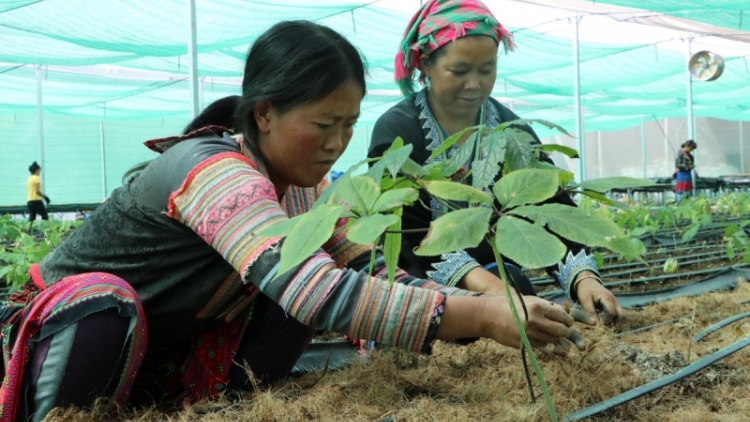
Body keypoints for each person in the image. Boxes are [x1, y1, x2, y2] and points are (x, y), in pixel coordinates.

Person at [0, 21, 591, 422]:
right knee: (105, 304)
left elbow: (366, 272)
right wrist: (481, 314)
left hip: (164, 352)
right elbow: (318, 293)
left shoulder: (301, 192)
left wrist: (494, 311)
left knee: (300, 291)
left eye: (350, 124)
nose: (338, 143)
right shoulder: (214, 171)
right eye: (323, 123)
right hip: (69, 338)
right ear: (264, 113)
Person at [368, 0, 625, 325]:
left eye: (487, 70)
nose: (475, 84)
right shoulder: (398, 131)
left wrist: (583, 279)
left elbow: (549, 202)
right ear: (425, 65)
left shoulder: (509, 130)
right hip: (420, 288)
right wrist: (495, 292)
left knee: (517, 288)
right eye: (459, 71)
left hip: (498, 276)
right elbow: (406, 231)